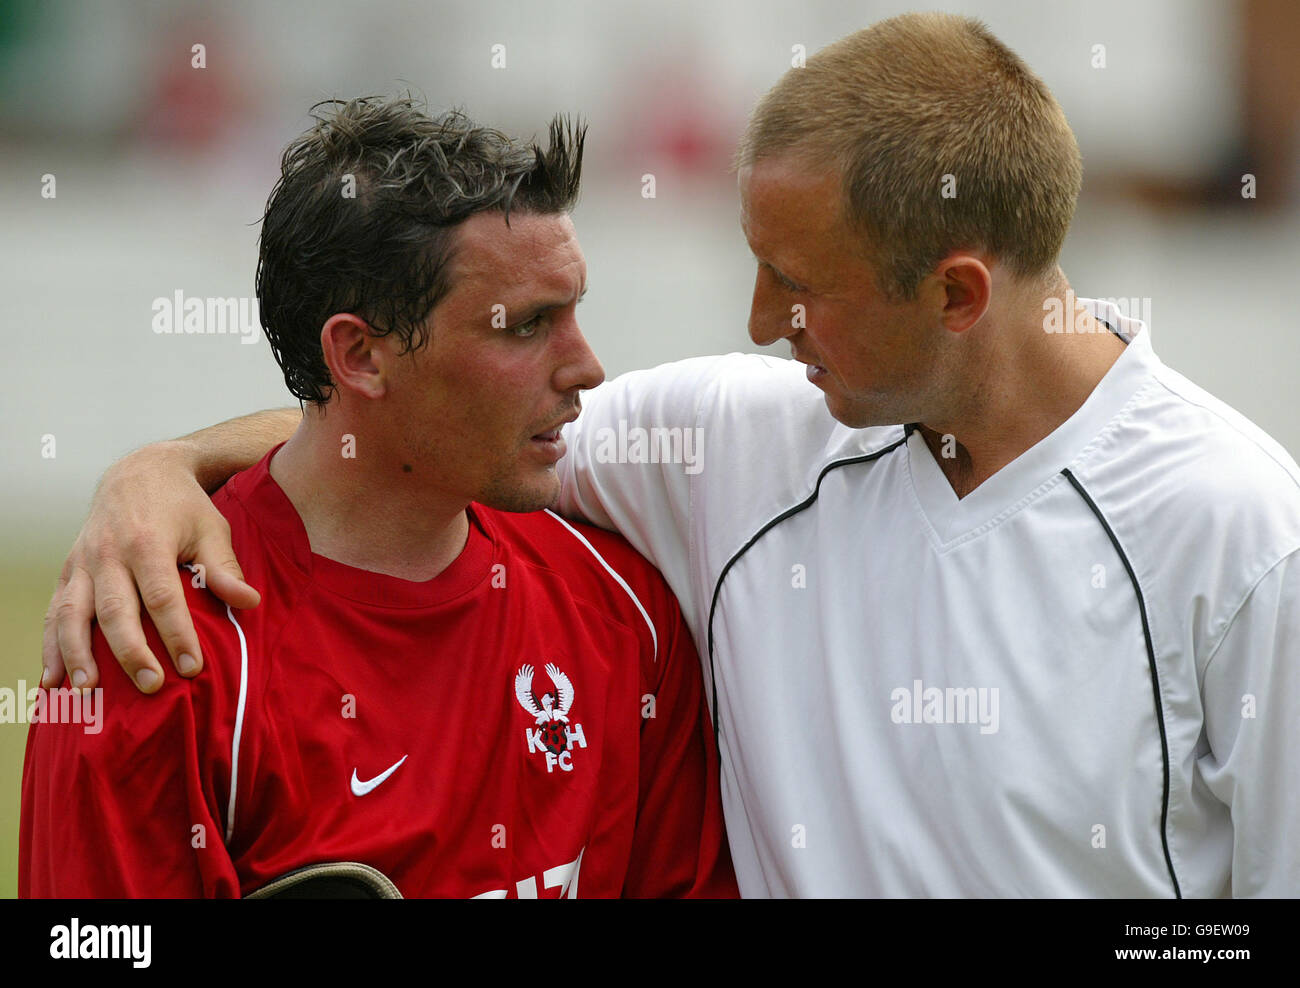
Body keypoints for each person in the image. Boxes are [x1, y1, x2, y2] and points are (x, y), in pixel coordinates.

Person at [42, 14, 1300, 897]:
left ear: (957, 295)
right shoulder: (736, 436)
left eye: (795, 286)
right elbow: (401, 429)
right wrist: (156, 468)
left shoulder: (1241, 536)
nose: (757, 325)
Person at [21, 96, 737, 899]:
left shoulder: (625, 612)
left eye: (574, 313)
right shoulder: (155, 658)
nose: (587, 367)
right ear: (359, 354)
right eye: (526, 326)